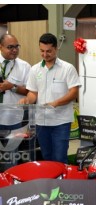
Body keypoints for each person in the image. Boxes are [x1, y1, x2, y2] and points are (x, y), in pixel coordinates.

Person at [18, 33, 81, 164]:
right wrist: (27, 100)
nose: (45, 54)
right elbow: (33, 93)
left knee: (59, 157)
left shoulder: (67, 68)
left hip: (61, 122)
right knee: (46, 156)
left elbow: (74, 93)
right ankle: (50, 184)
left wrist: (56, 103)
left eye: (49, 51)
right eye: (42, 51)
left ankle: (62, 184)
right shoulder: (35, 70)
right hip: (41, 122)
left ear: (56, 49)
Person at [0, 34, 31, 171]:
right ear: (0, 47)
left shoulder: (24, 66)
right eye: (10, 47)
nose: (14, 50)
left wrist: (12, 86)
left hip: (13, 120)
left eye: (16, 46)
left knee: (10, 155)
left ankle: (9, 188)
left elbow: (30, 92)